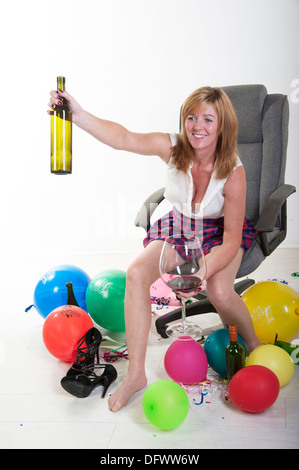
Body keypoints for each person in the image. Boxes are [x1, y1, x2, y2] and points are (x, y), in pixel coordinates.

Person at [48, 86, 262, 412]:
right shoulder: (172, 147)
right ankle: (136, 375)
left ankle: (253, 343)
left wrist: (200, 271)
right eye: (191, 117)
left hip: (219, 232)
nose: (197, 126)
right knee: (135, 273)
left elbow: (232, 239)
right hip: (180, 224)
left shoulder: (233, 171)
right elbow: (123, 137)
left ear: (223, 126)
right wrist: (78, 115)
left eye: (208, 119)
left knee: (219, 290)